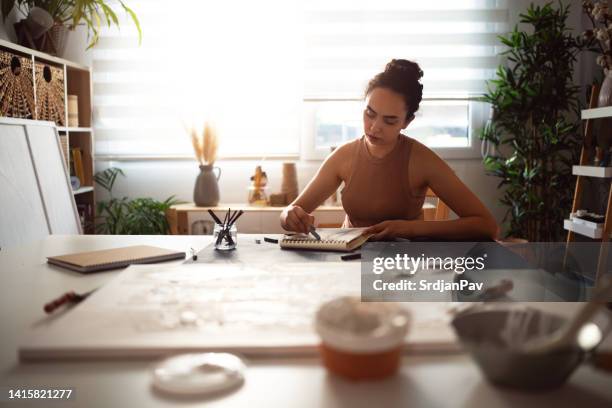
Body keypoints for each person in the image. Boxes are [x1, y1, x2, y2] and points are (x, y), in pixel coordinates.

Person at [280, 59, 498, 241]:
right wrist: (290, 215)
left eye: (390, 120)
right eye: (370, 113)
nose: (375, 127)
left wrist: (409, 228)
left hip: (405, 266)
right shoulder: (344, 157)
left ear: (407, 121)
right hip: (350, 263)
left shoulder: (422, 160)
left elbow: (486, 225)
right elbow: (290, 213)